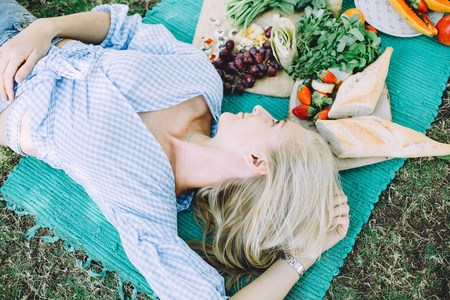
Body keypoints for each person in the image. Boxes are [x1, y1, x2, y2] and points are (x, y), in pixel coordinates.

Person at [0, 1, 350, 299]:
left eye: (273, 125)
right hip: (21, 30)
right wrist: (45, 28)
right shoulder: (202, 81)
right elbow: (122, 29)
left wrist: (302, 256)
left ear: (256, 161)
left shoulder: (146, 201)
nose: (261, 111)